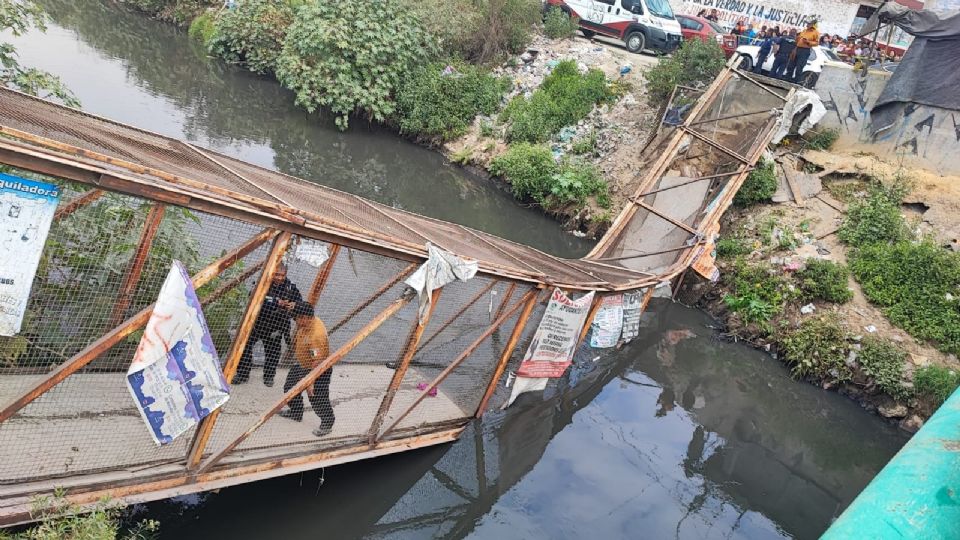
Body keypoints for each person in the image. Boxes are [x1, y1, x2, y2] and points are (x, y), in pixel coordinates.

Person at [234, 262, 303, 386]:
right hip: (257, 323)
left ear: (285, 274)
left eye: (281, 275)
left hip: (276, 326)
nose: (279, 277)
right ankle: (242, 374)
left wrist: (293, 305)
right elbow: (253, 297)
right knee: (244, 348)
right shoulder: (262, 283)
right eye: (276, 274)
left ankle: (269, 377)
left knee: (273, 353)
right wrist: (276, 302)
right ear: (272, 273)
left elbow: (300, 303)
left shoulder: (290, 288)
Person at [279, 302, 336, 437]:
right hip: (302, 364)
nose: (295, 321)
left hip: (318, 370)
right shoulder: (307, 322)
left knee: (317, 398)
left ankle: (327, 422)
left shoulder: (316, 335)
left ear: (304, 317)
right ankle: (296, 412)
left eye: (296, 318)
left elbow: (317, 361)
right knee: (290, 389)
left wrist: (310, 382)